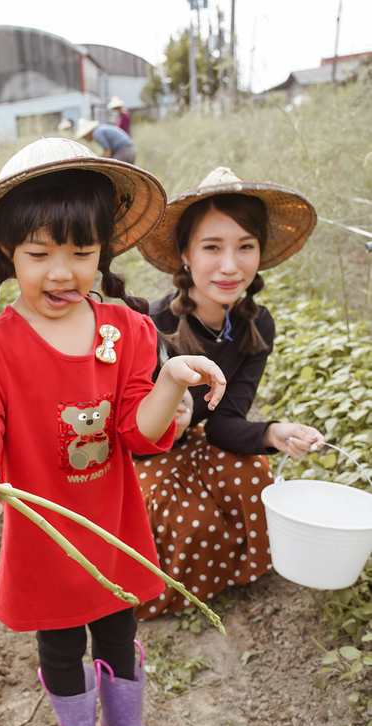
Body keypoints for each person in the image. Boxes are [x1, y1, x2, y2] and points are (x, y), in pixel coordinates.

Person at [0, 137, 226, 726]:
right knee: (62, 640)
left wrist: (169, 378)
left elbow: (137, 431)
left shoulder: (125, 330)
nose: (61, 272)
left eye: (81, 252)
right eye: (40, 254)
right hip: (46, 537)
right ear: (7, 253)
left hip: (113, 525)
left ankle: (123, 725)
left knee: (120, 631)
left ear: (104, 250)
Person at [133, 166, 324, 620]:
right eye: (212, 247)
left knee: (255, 477)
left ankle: (235, 569)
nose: (229, 266)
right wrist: (168, 419)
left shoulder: (256, 325)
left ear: (260, 253)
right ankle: (167, 585)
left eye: (245, 247)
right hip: (139, 455)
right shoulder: (150, 326)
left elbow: (223, 424)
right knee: (192, 522)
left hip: (195, 442)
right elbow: (129, 430)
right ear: (184, 253)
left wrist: (274, 432)